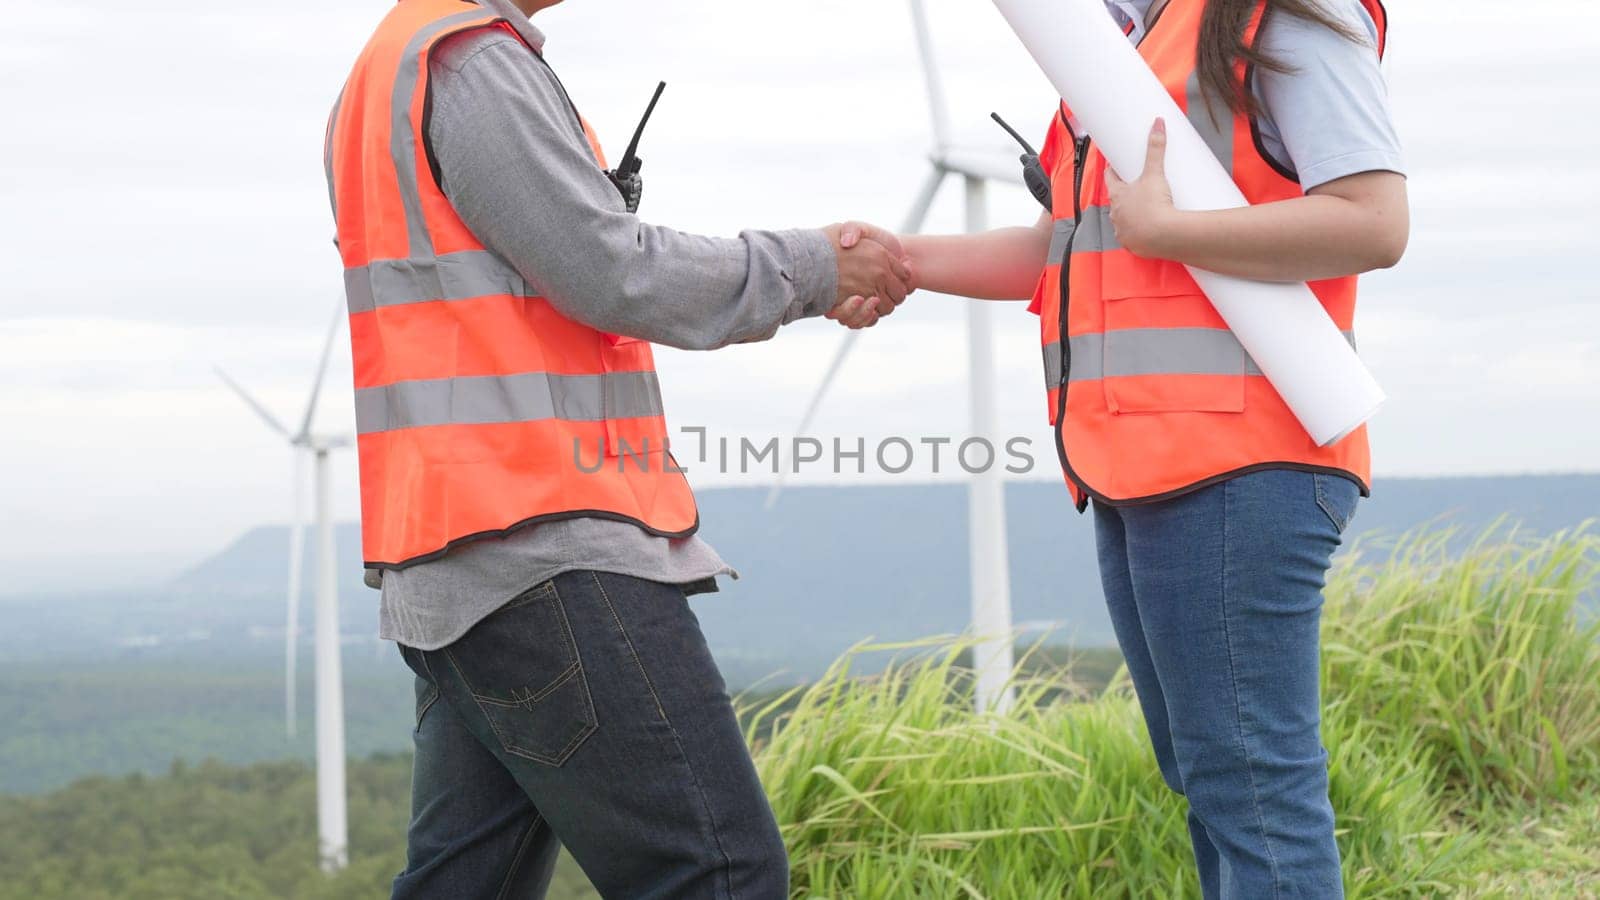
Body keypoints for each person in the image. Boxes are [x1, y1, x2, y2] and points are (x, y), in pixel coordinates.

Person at [323, 0, 910, 895]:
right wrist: (818, 265)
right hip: (543, 550)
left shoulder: (392, 69)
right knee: (716, 873)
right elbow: (615, 273)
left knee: (463, 883)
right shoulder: (474, 69)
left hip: (459, 558)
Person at [853, 0, 1408, 896]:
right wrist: (899, 260)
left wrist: (1175, 229)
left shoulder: (1277, 14)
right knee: (1212, 785)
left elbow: (1374, 219)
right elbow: (1062, 248)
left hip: (1242, 460)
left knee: (1256, 796)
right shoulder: (1111, 44)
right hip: (1131, 469)